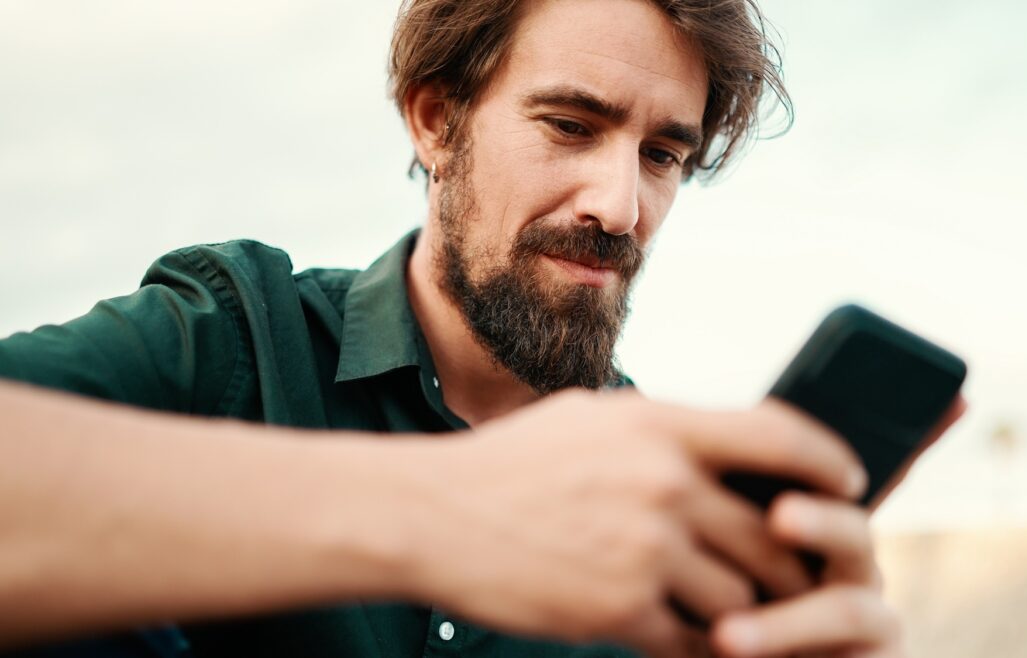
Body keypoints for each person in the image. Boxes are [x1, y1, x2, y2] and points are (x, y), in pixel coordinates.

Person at [0, 0, 963, 656]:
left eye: (663, 153)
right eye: (571, 126)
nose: (621, 205)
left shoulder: (676, 533)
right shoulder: (233, 339)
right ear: (434, 119)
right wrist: (436, 510)